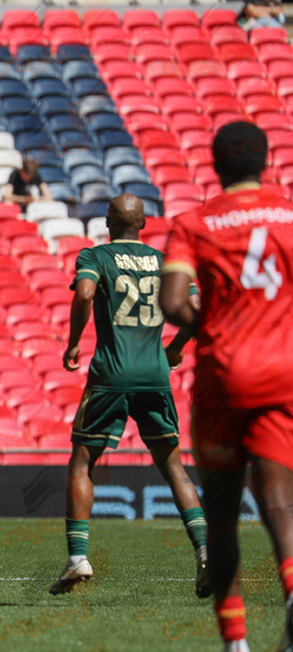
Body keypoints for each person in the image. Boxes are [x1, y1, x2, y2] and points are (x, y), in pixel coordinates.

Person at [159, 121, 293, 652]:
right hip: (283, 372)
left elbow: (172, 303)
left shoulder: (195, 223)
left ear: (215, 166)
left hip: (223, 375)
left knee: (221, 511)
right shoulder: (290, 214)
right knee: (280, 497)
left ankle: (235, 643)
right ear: (265, 161)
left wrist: (208, 316)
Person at [50, 193, 209, 598]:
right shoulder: (163, 260)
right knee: (173, 466)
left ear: (107, 220)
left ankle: (78, 558)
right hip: (155, 373)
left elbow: (85, 294)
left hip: (111, 373)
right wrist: (175, 348)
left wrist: (72, 343)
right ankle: (206, 552)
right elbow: (197, 304)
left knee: (83, 462)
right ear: (143, 224)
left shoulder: (96, 255)